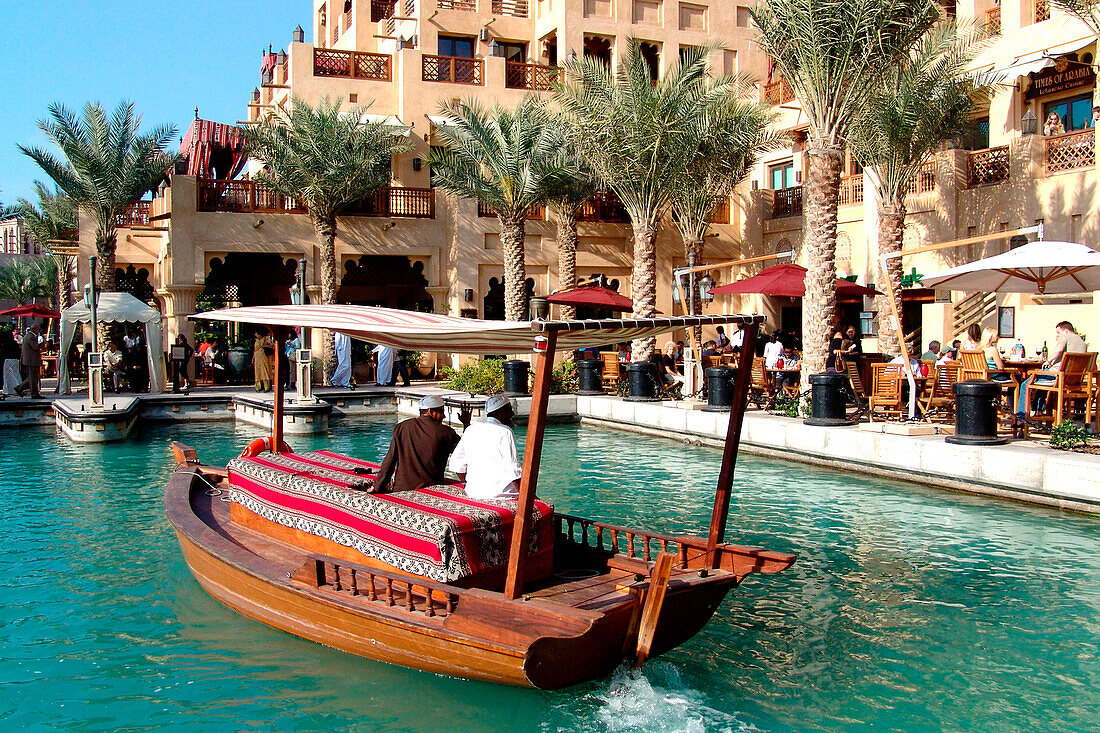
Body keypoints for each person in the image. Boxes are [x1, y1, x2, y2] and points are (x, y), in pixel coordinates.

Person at [371, 395, 472, 493]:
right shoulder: (446, 432)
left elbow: (390, 460)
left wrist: (377, 487)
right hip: (432, 490)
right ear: (431, 411)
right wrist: (466, 424)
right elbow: (466, 453)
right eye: (441, 412)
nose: (444, 416)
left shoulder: (402, 427)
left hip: (402, 488)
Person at [448, 395, 523, 501]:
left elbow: (457, 464)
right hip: (502, 495)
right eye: (509, 410)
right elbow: (513, 471)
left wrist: (467, 484)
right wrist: (528, 498)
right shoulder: (505, 431)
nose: (512, 414)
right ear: (498, 413)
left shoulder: (470, 429)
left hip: (473, 493)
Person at [1017, 320, 1087, 419]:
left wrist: (1049, 361)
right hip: (1072, 379)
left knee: (1026, 384)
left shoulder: (1065, 336)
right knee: (1041, 380)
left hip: (1057, 376)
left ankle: (1021, 417)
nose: (1057, 336)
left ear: (1066, 330)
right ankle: (1038, 411)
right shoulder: (1082, 342)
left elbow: (1059, 349)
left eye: (1058, 332)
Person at [979, 326, 1016, 410]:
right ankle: (1012, 408)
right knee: (1017, 378)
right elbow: (1000, 367)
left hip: (981, 376)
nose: (998, 337)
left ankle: (1004, 406)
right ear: (991, 337)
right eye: (996, 335)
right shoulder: (992, 349)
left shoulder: (978, 348)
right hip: (993, 376)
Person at [15, 323, 43, 399]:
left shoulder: (27, 336)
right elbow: (35, 347)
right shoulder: (31, 337)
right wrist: (41, 344)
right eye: (38, 330)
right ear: (35, 330)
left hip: (30, 360)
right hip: (32, 360)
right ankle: (34, 393)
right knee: (33, 378)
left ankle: (19, 388)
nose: (39, 331)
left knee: (32, 377)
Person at [1, 328, 20, 396]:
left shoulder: (5, 344)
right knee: (16, 374)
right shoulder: (14, 343)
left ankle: (8, 389)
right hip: (15, 360)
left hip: (7, 359)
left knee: (7, 376)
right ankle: (18, 387)